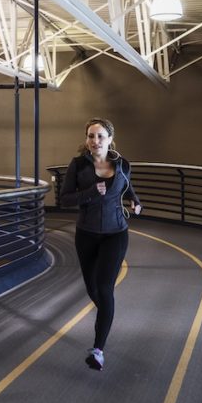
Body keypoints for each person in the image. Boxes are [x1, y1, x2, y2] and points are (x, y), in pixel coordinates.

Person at [60, 117, 141, 371]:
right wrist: (92, 192)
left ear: (110, 140)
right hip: (86, 234)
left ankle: (98, 351)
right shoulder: (77, 166)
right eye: (91, 136)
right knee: (93, 290)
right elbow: (64, 200)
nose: (95, 141)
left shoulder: (122, 165)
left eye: (100, 136)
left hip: (116, 234)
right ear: (86, 139)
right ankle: (108, 314)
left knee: (105, 289)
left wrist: (135, 201)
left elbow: (127, 188)